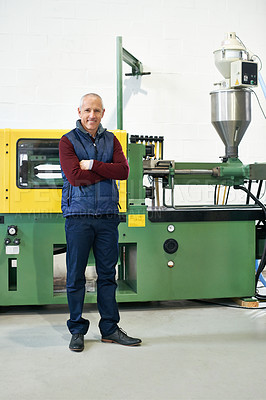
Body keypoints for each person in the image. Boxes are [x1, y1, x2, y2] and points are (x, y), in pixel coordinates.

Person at [59, 93, 142, 351]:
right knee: (75, 276)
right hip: (78, 216)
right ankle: (76, 329)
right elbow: (74, 177)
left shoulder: (112, 140)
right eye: (87, 110)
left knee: (108, 275)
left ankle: (109, 329)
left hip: (107, 217)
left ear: (103, 113)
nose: (91, 115)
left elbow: (124, 172)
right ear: (79, 111)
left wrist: (93, 164)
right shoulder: (67, 141)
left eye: (96, 110)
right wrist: (106, 171)